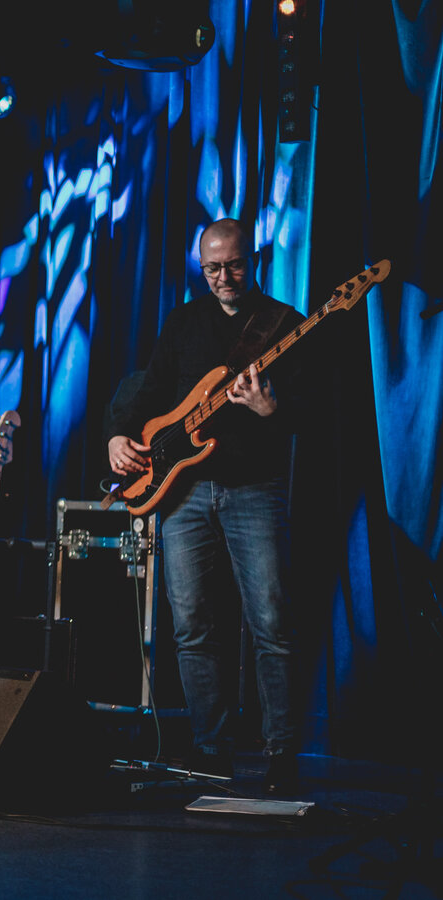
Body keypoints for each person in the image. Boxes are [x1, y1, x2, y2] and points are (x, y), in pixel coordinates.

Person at [105, 218, 304, 795]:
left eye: (234, 265)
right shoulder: (184, 321)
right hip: (183, 492)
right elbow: (149, 393)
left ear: (253, 259)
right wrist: (117, 435)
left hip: (255, 487)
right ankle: (211, 750)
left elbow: (317, 409)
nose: (223, 277)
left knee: (271, 624)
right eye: (212, 268)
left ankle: (281, 753)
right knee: (192, 625)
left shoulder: (284, 323)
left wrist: (272, 410)